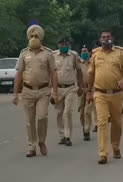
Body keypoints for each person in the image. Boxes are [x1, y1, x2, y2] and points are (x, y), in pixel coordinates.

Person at [87, 29, 123, 164]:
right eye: (103, 37)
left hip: (116, 94)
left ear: (112, 38)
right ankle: (103, 153)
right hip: (100, 93)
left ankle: (116, 147)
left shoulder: (120, 53)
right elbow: (91, 74)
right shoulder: (95, 54)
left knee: (117, 123)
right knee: (102, 122)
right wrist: (89, 92)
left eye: (108, 37)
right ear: (100, 39)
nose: (106, 39)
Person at [13, 24, 58, 157]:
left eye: (36, 36)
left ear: (41, 38)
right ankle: (32, 146)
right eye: (31, 36)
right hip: (27, 90)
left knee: (42, 117)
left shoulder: (48, 53)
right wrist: (15, 93)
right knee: (29, 120)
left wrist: (55, 92)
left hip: (43, 90)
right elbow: (19, 74)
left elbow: (54, 73)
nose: (33, 38)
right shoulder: (23, 53)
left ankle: (41, 141)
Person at [53, 37, 83, 146]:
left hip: (70, 88)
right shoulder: (53, 55)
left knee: (67, 112)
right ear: (58, 45)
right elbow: (51, 73)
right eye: (62, 44)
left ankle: (67, 136)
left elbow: (79, 70)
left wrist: (80, 86)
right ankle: (61, 136)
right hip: (57, 88)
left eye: (66, 44)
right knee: (59, 112)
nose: (64, 45)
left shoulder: (74, 55)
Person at [78, 45, 97, 141]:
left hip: (92, 89)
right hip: (82, 89)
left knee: (87, 111)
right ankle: (84, 126)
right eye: (82, 51)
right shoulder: (79, 63)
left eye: (85, 51)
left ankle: (87, 130)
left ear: (89, 53)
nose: (83, 53)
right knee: (81, 112)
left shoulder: (93, 63)